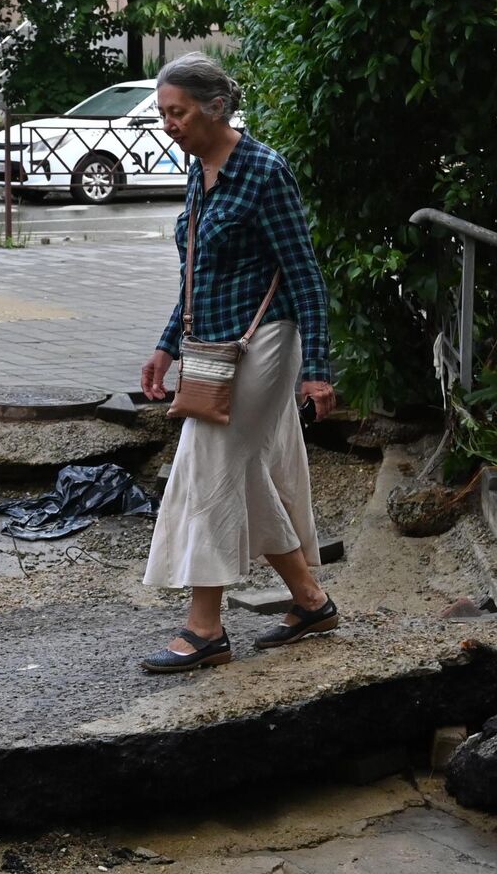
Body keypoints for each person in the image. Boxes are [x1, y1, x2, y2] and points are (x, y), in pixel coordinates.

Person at [138, 52, 338, 673]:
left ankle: (206, 628)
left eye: (178, 112)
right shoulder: (201, 171)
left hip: (266, 343)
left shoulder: (264, 171)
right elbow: (196, 275)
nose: (169, 124)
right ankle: (309, 600)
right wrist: (166, 345)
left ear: (216, 107)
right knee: (240, 471)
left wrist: (319, 367)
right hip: (213, 348)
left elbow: (305, 273)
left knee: (210, 464)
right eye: (163, 113)